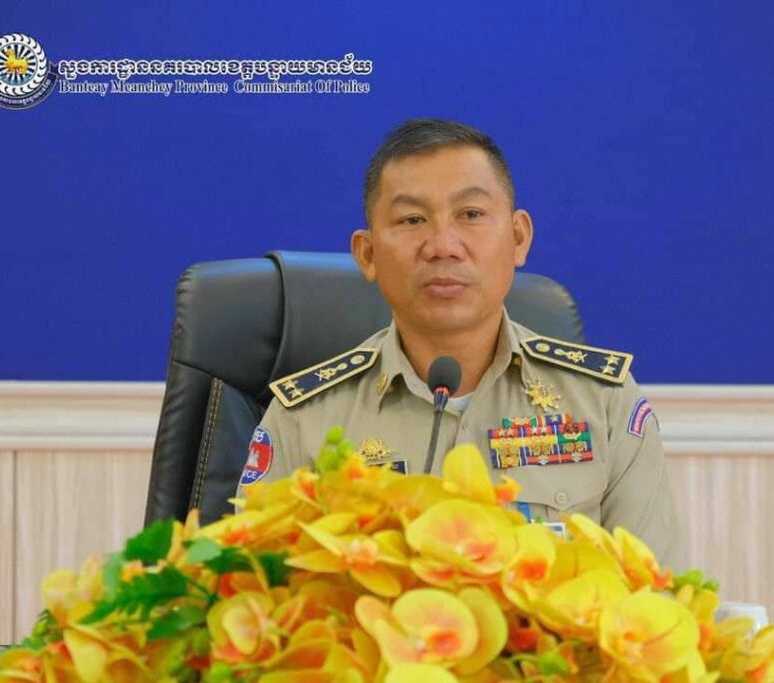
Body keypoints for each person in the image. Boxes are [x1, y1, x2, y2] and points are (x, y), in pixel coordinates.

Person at [238, 118, 683, 567]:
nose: (443, 245)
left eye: (470, 214)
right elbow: (257, 586)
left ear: (518, 238)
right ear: (367, 255)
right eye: (412, 219)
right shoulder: (303, 419)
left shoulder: (604, 404)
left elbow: (651, 591)